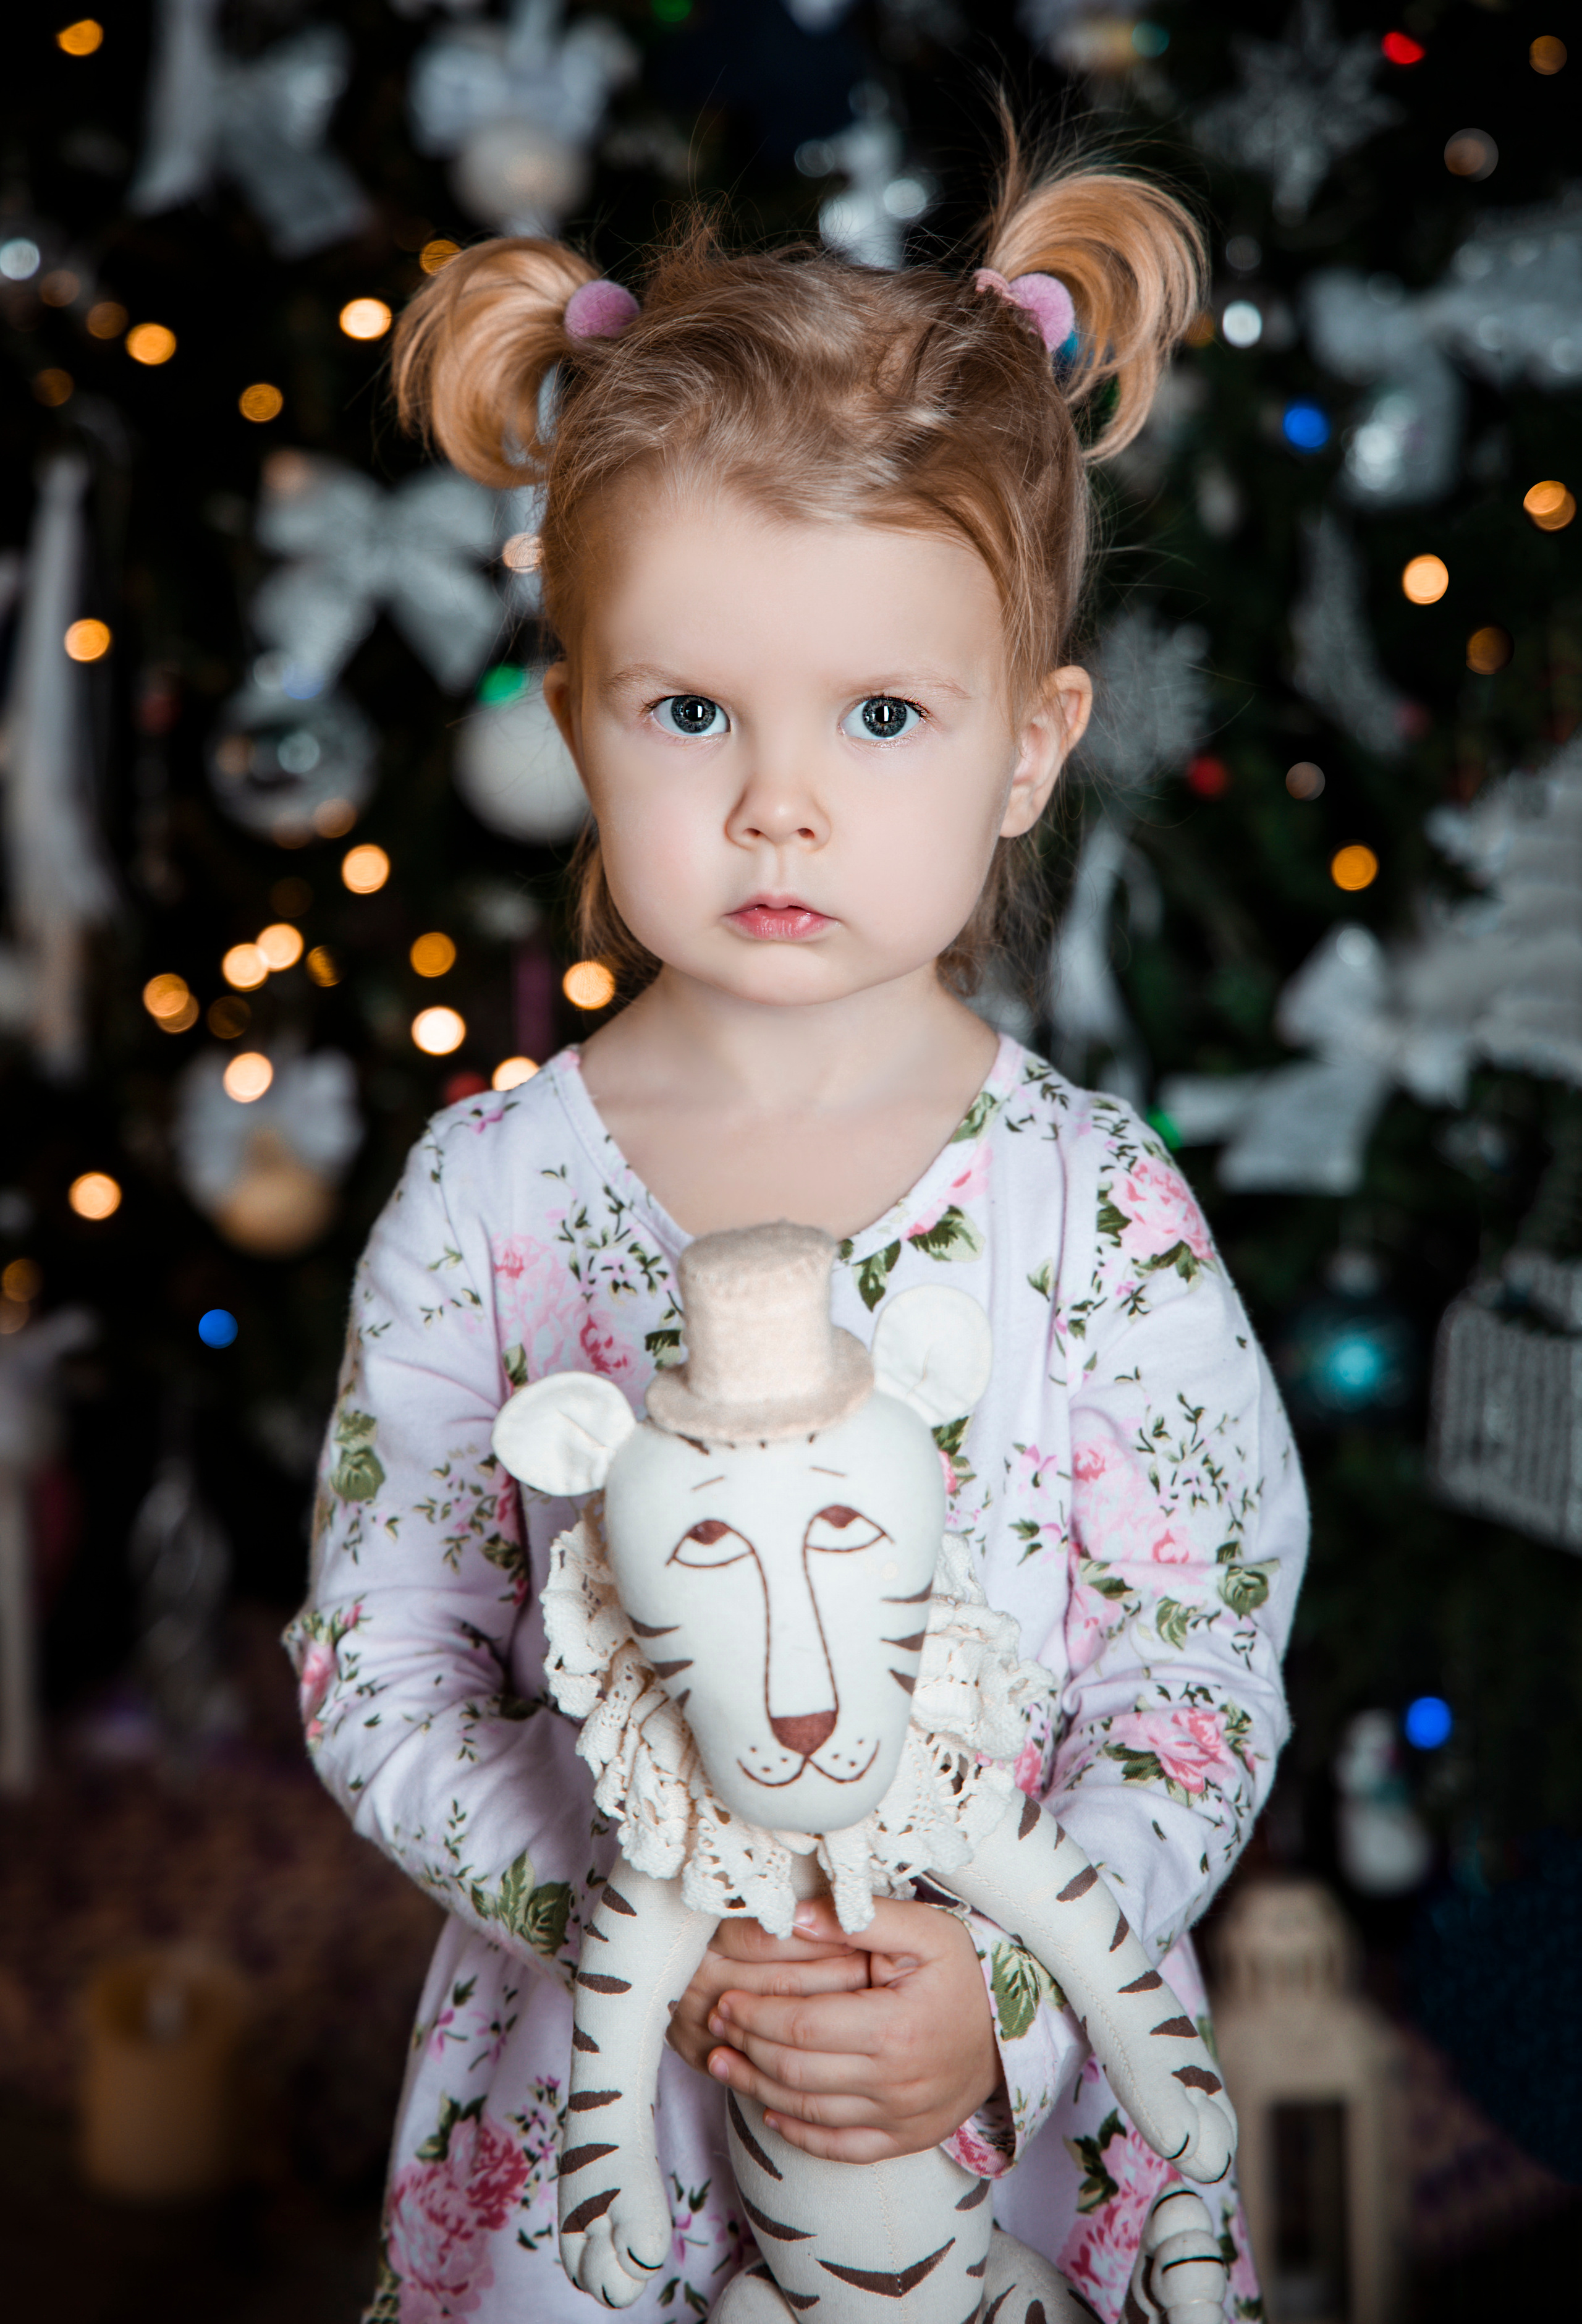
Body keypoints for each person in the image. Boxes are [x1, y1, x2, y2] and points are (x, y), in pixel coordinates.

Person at [287, 143, 1308, 2324]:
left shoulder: (1094, 1213)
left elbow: (1195, 1680)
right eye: (688, 713)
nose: (779, 801)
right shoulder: (489, 1197)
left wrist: (1013, 1996)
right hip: (603, 2117)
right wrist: (644, 1928)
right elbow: (382, 1661)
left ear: (1029, 753)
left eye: (879, 715)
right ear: (575, 721)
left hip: (988, 2123)